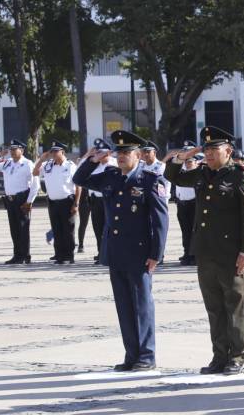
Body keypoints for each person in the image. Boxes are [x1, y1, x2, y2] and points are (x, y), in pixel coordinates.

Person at [164, 126, 244, 375]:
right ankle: (219, 356)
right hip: (205, 251)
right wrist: (183, 157)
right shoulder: (202, 173)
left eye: (213, 148)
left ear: (228, 150)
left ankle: (236, 356)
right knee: (214, 307)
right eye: (205, 149)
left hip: (231, 253)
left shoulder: (241, 175)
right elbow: (173, 176)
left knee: (234, 306)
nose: (207, 153)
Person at [72, 130, 169, 371]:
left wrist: (156, 254)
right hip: (115, 252)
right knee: (124, 306)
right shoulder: (110, 176)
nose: (122, 156)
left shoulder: (149, 180)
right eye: (119, 152)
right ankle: (131, 354)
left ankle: (146, 355)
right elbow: (79, 179)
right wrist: (93, 159)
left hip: (139, 253)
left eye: (127, 152)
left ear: (138, 155)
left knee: (142, 305)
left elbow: (160, 221)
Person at [33, 141, 81, 264]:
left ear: (62, 152)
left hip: (67, 201)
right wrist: (41, 159)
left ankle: (69, 256)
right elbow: (35, 172)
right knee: (57, 229)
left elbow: (78, 186)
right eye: (52, 151)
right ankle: (59, 255)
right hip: (53, 202)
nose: (53, 154)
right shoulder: (48, 165)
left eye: (56, 151)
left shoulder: (70, 166)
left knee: (68, 230)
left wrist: (76, 203)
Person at [0, 140, 39, 264]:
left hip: (22, 199)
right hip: (10, 200)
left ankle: (25, 255)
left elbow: (35, 185)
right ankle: (17, 255)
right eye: (11, 149)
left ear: (22, 150)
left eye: (15, 149)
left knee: (23, 228)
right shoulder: (7, 163)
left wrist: (29, 201)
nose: (12, 152)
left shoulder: (28, 164)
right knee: (14, 228)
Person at [77, 139, 117, 265]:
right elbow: (79, 170)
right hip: (94, 200)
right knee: (97, 228)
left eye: (103, 153)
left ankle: (110, 253)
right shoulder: (93, 164)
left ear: (109, 153)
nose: (100, 155)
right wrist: (90, 154)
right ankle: (101, 253)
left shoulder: (114, 164)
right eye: (98, 152)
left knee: (109, 228)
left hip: (109, 200)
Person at [164, 141, 200, 266]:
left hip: (194, 203)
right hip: (182, 203)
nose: (187, 162)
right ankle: (187, 253)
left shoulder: (198, 168)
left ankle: (195, 254)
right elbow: (168, 171)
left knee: (195, 230)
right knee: (185, 230)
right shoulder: (179, 167)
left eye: (190, 160)